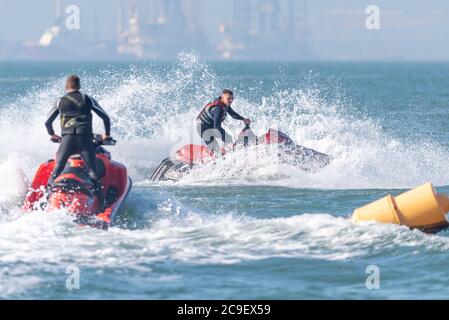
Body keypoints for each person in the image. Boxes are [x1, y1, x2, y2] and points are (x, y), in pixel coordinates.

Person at [45, 75, 111, 210]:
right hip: (85, 140)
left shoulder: (60, 101)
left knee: (56, 171)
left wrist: (52, 134)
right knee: (93, 172)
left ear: (66, 87)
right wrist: (107, 134)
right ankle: (102, 207)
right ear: (79, 86)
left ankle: (46, 201)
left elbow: (47, 122)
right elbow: (105, 117)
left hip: (67, 140)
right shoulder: (88, 99)